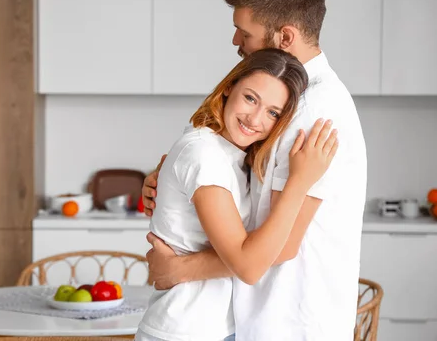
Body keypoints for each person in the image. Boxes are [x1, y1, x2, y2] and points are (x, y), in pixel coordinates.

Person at [142, 0, 367, 341]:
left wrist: (179, 269)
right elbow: (233, 175)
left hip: (292, 323)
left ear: (285, 37)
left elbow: (281, 245)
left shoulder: (313, 111)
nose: (236, 42)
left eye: (244, 33)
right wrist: (172, 181)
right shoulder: (286, 98)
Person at [136, 48, 338, 341]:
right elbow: (249, 266)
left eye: (273, 113)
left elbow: (276, 249)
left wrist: (178, 268)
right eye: (250, 98)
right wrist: (299, 181)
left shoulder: (232, 155)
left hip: (217, 329)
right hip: (184, 330)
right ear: (229, 87)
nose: (255, 119)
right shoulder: (204, 154)